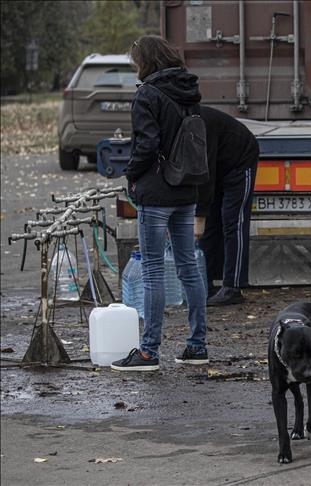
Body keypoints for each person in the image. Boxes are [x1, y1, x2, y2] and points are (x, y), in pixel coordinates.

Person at [112, 35, 208, 371]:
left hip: (156, 192)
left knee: (153, 270)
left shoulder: (147, 94)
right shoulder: (189, 91)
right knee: (188, 268)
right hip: (186, 188)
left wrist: (131, 174)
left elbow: (147, 144)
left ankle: (148, 352)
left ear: (145, 61)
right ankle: (197, 346)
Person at [195, 105, 260, 306]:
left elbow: (205, 171)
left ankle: (233, 286)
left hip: (239, 161)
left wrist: (198, 215)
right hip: (218, 163)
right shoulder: (175, 124)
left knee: (233, 221)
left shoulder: (199, 124)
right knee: (211, 223)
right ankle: (207, 282)